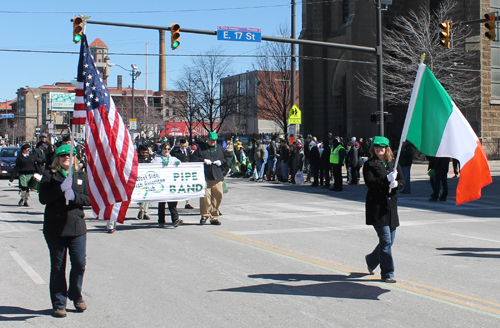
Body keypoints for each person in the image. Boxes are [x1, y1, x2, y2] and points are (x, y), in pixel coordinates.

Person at [38, 144, 90, 318]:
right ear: (57, 160)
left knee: (79, 263)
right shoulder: (49, 176)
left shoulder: (81, 175)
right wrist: (60, 189)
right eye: (63, 157)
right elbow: (43, 198)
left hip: (77, 227)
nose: (66, 159)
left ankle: (76, 295)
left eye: (69, 156)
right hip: (55, 228)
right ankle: (59, 303)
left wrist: (75, 197)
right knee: (58, 266)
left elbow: (89, 199)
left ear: (74, 158)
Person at [363, 136, 405, 283]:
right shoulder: (369, 164)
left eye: (381, 147)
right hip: (377, 206)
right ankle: (388, 273)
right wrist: (386, 179)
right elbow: (370, 182)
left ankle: (371, 260)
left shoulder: (393, 163)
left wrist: (396, 185)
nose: (378, 149)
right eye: (376, 147)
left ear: (387, 148)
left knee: (389, 241)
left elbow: (403, 181)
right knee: (386, 240)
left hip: (391, 207)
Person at [191, 132, 231, 225]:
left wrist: (222, 162)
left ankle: (214, 216)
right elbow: (192, 158)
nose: (212, 142)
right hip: (205, 176)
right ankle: (204, 215)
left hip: (217, 176)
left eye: (214, 141)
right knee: (205, 197)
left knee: (218, 196)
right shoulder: (201, 148)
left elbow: (229, 158)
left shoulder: (220, 149)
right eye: (211, 141)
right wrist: (203, 160)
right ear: (207, 140)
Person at [152, 142, 183, 228]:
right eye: (165, 149)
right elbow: (151, 168)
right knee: (162, 203)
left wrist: (179, 164)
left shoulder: (174, 159)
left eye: (168, 149)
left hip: (171, 184)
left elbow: (182, 167)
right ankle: (161, 220)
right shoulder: (157, 159)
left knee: (172, 203)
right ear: (161, 150)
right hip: (161, 184)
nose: (166, 150)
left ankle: (175, 219)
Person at [171, 138, 195, 209]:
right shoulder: (175, 152)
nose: (184, 147)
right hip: (179, 172)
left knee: (187, 187)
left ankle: (187, 202)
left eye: (185, 145)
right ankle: (174, 202)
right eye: (183, 145)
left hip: (187, 171)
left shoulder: (188, 151)